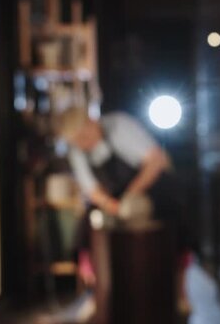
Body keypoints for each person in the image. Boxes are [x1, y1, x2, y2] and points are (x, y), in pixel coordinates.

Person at [53, 107, 191, 314]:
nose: (83, 143)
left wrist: (130, 196)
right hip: (114, 197)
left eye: (84, 136)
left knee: (180, 222)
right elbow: (92, 189)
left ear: (91, 122)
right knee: (84, 230)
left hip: (149, 184)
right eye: (77, 141)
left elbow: (155, 161)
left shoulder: (119, 126)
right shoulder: (77, 150)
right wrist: (111, 205)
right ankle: (97, 294)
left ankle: (179, 293)